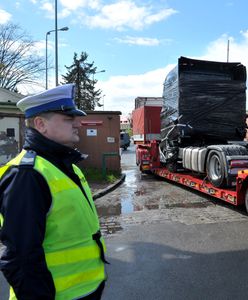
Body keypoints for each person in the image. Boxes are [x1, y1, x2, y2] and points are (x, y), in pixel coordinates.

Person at [0, 84, 107, 300]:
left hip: (84, 290)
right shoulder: (27, 175)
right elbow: (20, 258)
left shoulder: (67, 166)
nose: (77, 123)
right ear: (41, 124)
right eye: (68, 118)